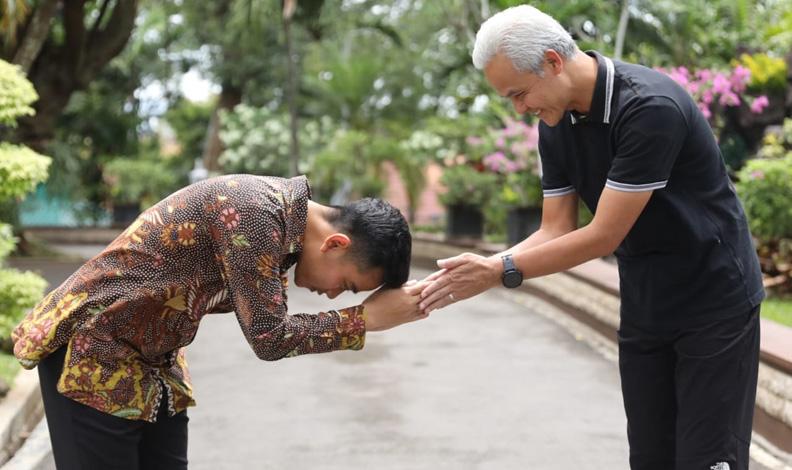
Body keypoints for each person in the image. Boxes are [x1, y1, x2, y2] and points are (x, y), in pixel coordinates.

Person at [419, 5, 764, 470]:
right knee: (651, 459)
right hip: (645, 302)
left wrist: (499, 271)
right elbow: (554, 228)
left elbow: (602, 235)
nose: (520, 109)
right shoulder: (556, 124)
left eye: (520, 93)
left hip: (714, 301)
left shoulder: (648, 108)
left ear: (552, 62)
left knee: (707, 461)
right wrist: (475, 270)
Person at [13, 174, 426, 469]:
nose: (335, 295)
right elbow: (270, 337)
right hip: (94, 350)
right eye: (348, 285)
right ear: (335, 243)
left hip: (153, 364)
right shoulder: (257, 213)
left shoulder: (283, 230)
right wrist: (365, 319)